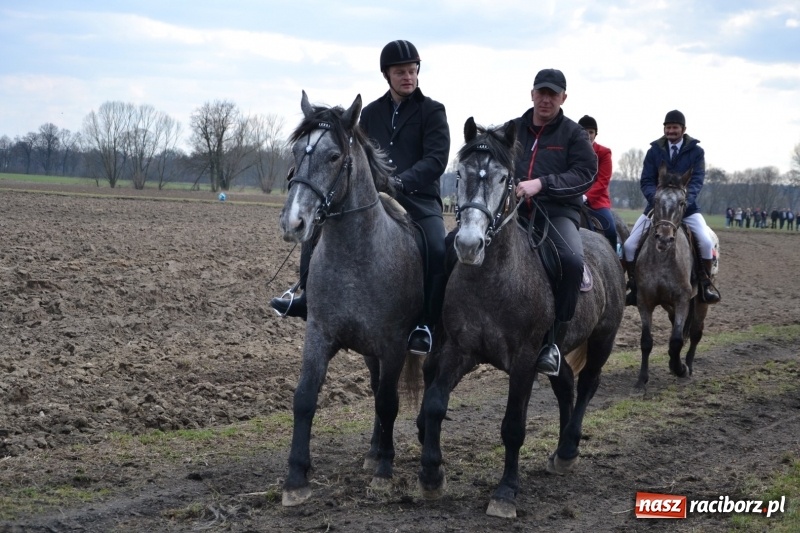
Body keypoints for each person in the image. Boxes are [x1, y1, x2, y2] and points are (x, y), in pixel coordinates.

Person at [270, 39, 450, 357]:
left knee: (436, 246)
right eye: (400, 72)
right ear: (387, 75)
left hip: (419, 198)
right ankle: (306, 298)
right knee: (318, 227)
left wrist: (402, 181)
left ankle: (427, 324)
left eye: (412, 71)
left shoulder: (433, 111)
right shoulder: (371, 112)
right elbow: (352, 154)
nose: (408, 76)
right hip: (372, 196)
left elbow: (437, 159)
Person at [511, 68, 597, 376]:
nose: (546, 99)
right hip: (515, 211)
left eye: (553, 94)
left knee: (571, 262)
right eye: (541, 92)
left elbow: (586, 173)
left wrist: (542, 184)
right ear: (532, 93)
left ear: (563, 98)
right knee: (462, 246)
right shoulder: (513, 129)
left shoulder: (573, 134)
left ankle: (554, 344)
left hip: (558, 212)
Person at [621, 109, 721, 305]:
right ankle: (634, 285)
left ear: (683, 129)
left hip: (687, 208)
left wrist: (684, 202)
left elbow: (697, 181)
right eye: (668, 128)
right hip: (657, 208)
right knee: (629, 245)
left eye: (674, 127)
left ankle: (705, 284)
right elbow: (646, 180)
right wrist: (656, 198)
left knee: (706, 242)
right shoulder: (654, 151)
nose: (671, 131)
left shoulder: (696, 152)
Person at [578, 114, 617, 253]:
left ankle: (614, 262)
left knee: (611, 229)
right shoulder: (571, 151)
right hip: (572, 197)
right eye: (584, 132)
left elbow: (603, 181)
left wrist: (586, 196)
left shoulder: (604, 153)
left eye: (591, 132)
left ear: (596, 134)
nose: (588, 135)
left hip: (597, 201)